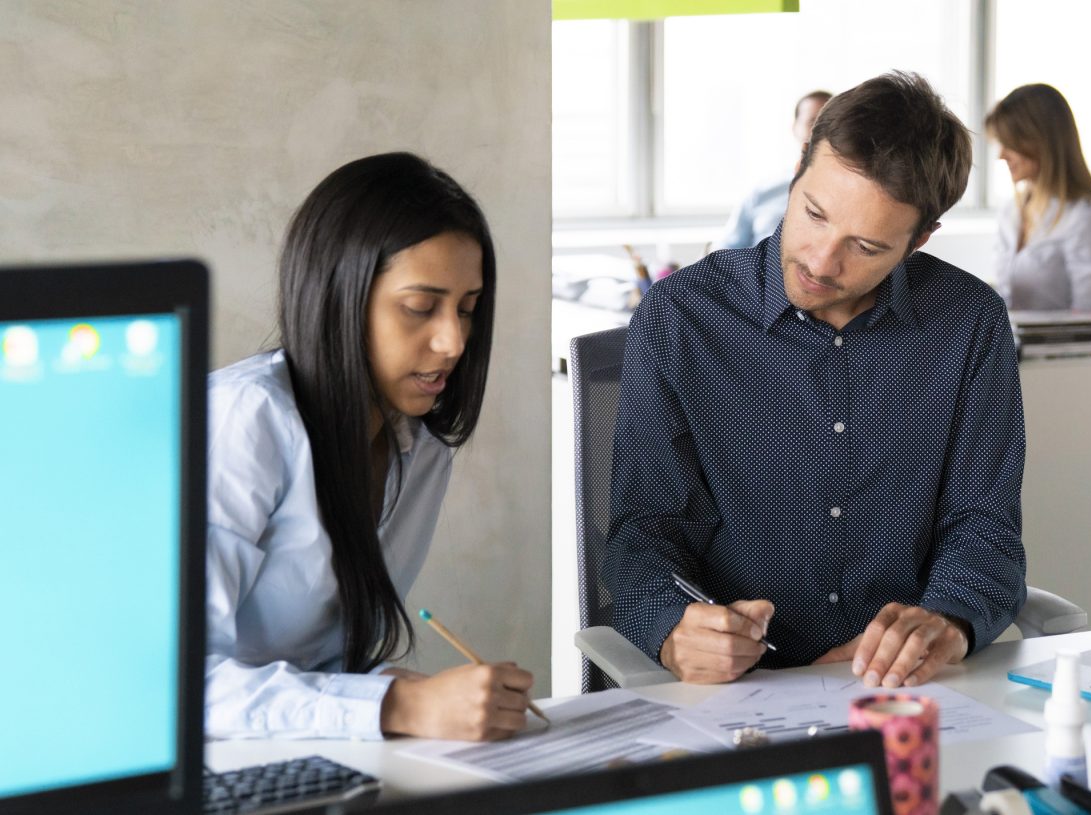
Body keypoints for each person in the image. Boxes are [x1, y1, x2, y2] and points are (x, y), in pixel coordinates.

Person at [603, 72, 1026, 690]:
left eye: (866, 245)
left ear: (919, 240)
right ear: (800, 165)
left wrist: (946, 623)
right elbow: (642, 535)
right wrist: (673, 629)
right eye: (814, 214)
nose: (822, 262)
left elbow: (985, 529)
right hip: (736, 696)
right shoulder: (681, 318)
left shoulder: (970, 324)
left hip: (897, 689)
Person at [205, 152, 535, 741]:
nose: (453, 341)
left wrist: (407, 693)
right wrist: (394, 705)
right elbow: (167, 687)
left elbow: (325, 665)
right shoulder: (246, 420)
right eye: (419, 307)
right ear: (340, 298)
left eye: (467, 309)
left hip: (305, 762)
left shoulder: (423, 447)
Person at [986, 83, 1091, 312]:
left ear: (1039, 141)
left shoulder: (1084, 215)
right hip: (1008, 342)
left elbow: (1090, 311)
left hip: (1056, 345)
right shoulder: (1011, 211)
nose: (1001, 155)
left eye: (1010, 144)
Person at [712, 90, 832, 251]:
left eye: (829, 123)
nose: (821, 131)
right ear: (795, 128)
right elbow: (724, 253)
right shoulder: (762, 192)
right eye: (812, 122)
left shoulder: (853, 196)